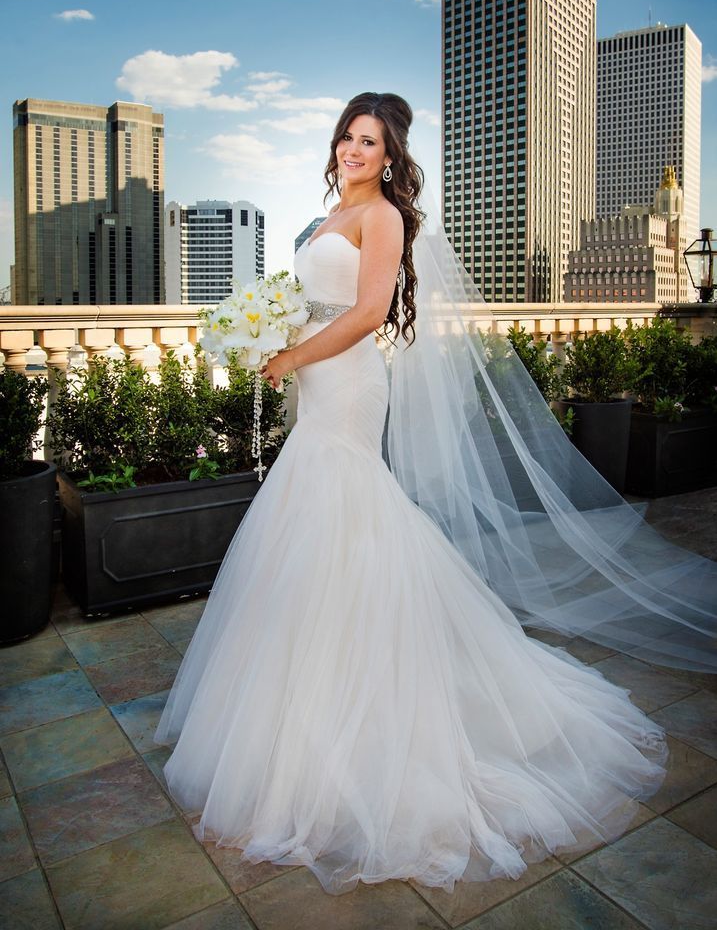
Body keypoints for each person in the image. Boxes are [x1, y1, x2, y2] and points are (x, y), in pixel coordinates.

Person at [154, 92, 674, 895]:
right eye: (346, 138)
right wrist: (268, 332)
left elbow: (366, 313)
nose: (354, 151)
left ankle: (374, 709)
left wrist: (290, 359)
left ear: (390, 155)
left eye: (369, 142)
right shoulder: (327, 215)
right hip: (315, 382)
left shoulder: (385, 218)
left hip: (347, 385)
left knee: (348, 516)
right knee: (313, 531)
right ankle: (305, 712)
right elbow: (314, 304)